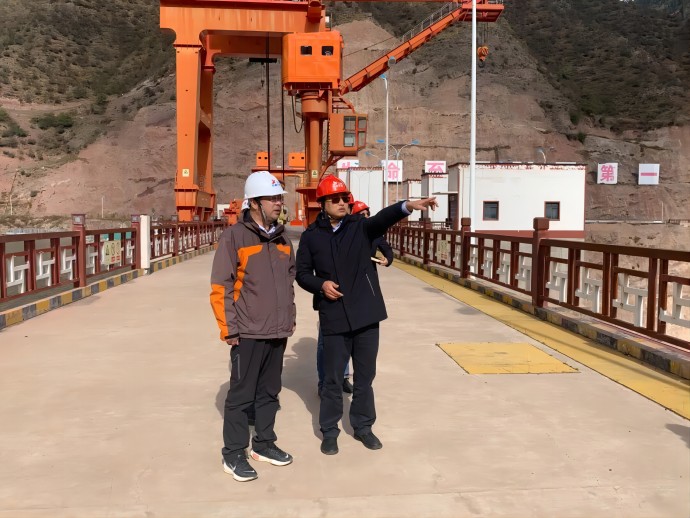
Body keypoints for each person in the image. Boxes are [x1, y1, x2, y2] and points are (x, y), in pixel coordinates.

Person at [296, 174, 437, 455]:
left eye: (344, 198)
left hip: (366, 315)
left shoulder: (360, 227)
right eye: (335, 199)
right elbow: (301, 273)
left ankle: (363, 427)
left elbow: (382, 219)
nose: (341, 203)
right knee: (333, 379)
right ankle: (330, 431)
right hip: (334, 316)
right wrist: (321, 285)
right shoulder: (311, 236)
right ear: (322, 203)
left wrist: (407, 206)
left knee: (365, 377)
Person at [210, 170, 296, 482]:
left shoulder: (283, 239)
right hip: (246, 332)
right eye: (272, 198)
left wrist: (289, 319)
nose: (278, 203)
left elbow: (289, 282)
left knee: (270, 392)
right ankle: (233, 453)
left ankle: (264, 444)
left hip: (277, 331)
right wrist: (229, 329)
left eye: (279, 198)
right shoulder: (235, 237)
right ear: (255, 203)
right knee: (241, 395)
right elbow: (220, 286)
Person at [351, 201, 394, 267]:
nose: (366, 216)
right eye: (362, 214)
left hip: (369, 270)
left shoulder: (375, 233)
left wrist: (387, 260)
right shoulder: (348, 232)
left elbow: (387, 249)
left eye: (367, 213)